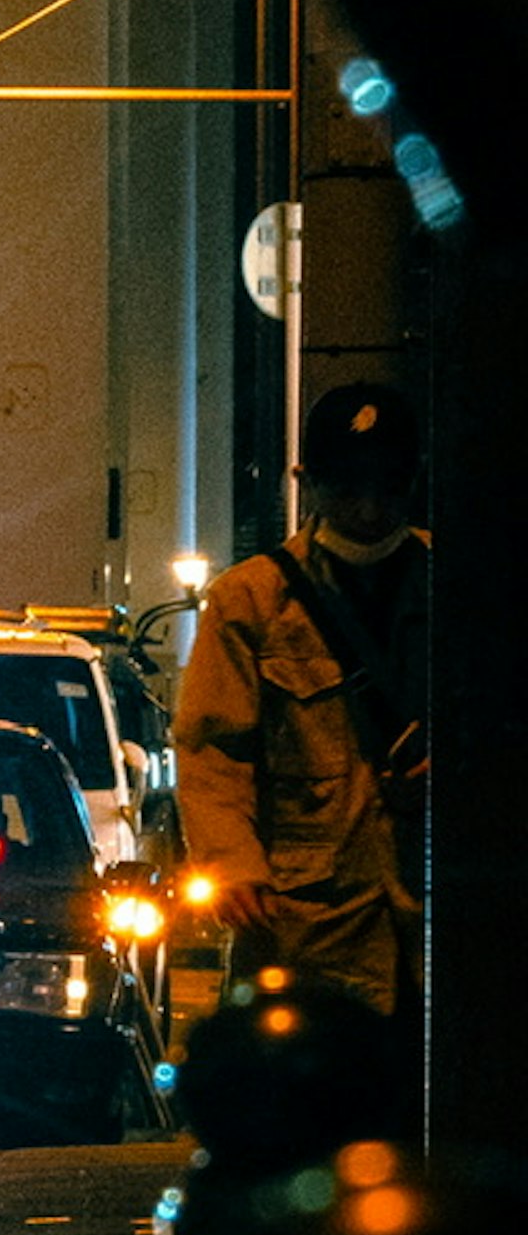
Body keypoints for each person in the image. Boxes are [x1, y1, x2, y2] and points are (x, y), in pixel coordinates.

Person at [173, 375, 429, 1048]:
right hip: (307, 920)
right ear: (307, 481)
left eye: (388, 487)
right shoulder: (252, 601)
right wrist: (231, 865)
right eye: (349, 488)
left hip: (429, 916)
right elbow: (211, 748)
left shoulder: (456, 584)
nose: (371, 510)